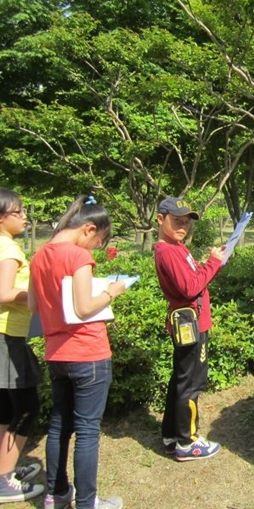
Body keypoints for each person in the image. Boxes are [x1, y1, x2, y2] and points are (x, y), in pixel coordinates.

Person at [28, 195, 127, 509]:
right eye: (97, 241)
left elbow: (32, 305)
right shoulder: (77, 257)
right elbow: (84, 308)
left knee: (59, 425)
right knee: (86, 430)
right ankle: (87, 503)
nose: (94, 248)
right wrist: (110, 292)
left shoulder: (40, 255)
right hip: (88, 352)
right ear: (88, 229)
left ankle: (57, 494)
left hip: (56, 353)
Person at [154, 197, 224, 461]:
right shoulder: (168, 251)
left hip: (191, 321)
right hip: (190, 324)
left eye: (186, 222)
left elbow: (194, 278)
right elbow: (189, 288)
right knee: (191, 383)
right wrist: (213, 264)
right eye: (176, 221)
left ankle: (171, 435)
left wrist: (212, 263)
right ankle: (188, 441)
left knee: (181, 380)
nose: (182, 226)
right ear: (161, 219)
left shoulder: (176, 246)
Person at [0, 190, 44, 504]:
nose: (24, 217)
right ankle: (4, 479)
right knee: (27, 406)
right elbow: (3, 293)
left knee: (4, 408)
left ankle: (4, 469)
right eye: (18, 212)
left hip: (5, 334)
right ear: (2, 217)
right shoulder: (8, 248)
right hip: (7, 337)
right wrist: (33, 296)